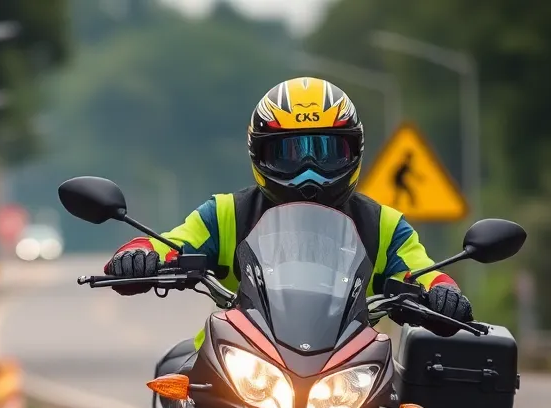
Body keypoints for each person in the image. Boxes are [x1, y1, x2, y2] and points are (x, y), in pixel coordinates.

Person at [105, 77, 473, 347]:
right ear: (260, 155)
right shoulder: (225, 213)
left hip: (349, 363)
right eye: (290, 153)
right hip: (239, 356)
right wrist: (136, 254)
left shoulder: (384, 225)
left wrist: (445, 294)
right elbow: (169, 244)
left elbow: (424, 274)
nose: (308, 170)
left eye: (326, 152)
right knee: (179, 399)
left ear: (354, 151)